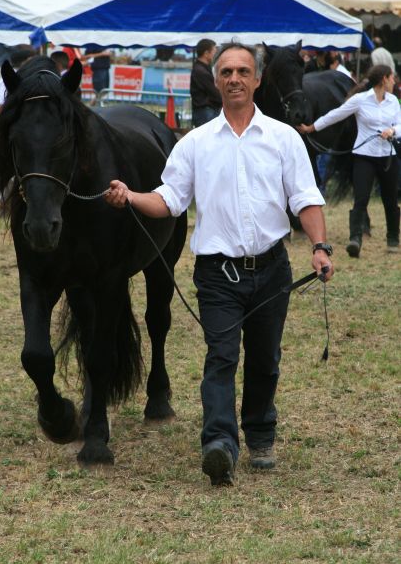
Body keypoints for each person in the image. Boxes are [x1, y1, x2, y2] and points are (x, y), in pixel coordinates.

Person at [105, 42, 333, 486]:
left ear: (257, 79)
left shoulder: (284, 138)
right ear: (216, 80)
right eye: (226, 71)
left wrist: (320, 246)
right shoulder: (195, 144)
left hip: (271, 269)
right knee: (221, 357)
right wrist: (131, 196)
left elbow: (306, 199)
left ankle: (261, 433)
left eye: (243, 71)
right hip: (218, 275)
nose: (234, 78)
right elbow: (169, 200)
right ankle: (220, 445)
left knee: (265, 360)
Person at [298, 64, 401, 255]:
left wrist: (393, 130)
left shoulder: (393, 101)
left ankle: (393, 239)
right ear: (384, 79)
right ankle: (355, 240)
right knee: (360, 198)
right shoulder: (360, 100)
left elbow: (400, 124)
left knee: (390, 199)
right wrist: (312, 128)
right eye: (392, 77)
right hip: (364, 157)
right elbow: (336, 115)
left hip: (387, 156)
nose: (394, 81)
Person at [190, 39, 222, 127]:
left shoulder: (202, 69)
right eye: (214, 52)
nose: (215, 55)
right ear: (206, 53)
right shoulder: (201, 71)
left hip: (206, 112)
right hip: (206, 112)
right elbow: (215, 93)